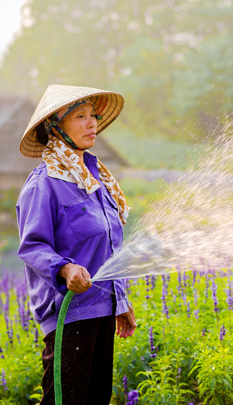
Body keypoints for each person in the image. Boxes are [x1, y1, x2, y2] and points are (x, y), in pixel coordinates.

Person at [16, 85, 137, 405]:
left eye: (93, 116)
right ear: (55, 128)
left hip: (101, 309)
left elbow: (109, 246)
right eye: (80, 117)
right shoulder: (44, 184)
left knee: (96, 399)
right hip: (68, 314)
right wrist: (65, 268)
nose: (91, 123)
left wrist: (120, 300)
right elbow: (32, 247)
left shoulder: (96, 182)